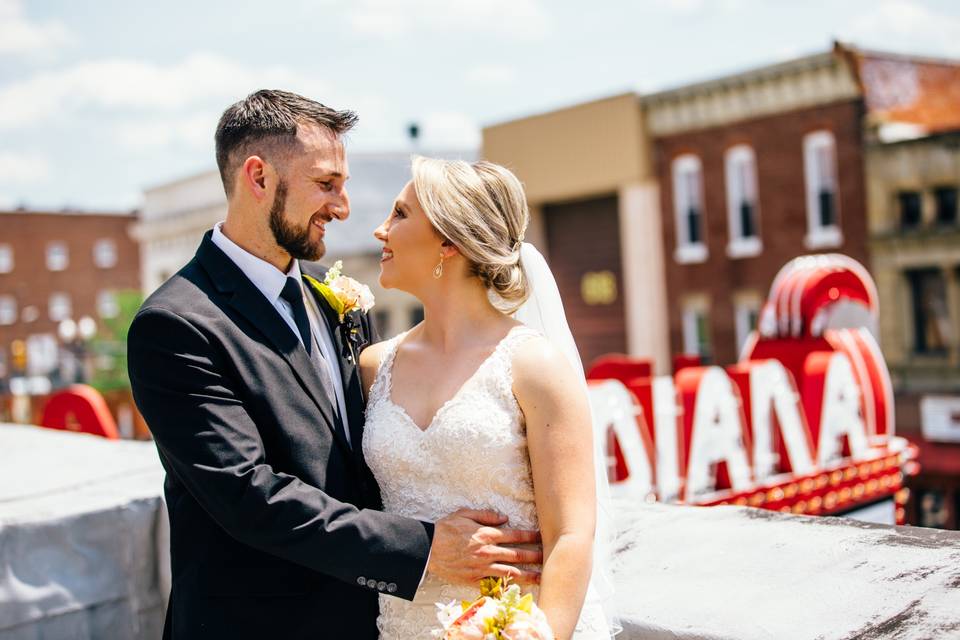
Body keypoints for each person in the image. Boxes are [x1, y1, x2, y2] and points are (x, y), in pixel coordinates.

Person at [127, 90, 541, 640]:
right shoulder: (176, 325)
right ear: (258, 178)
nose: (343, 208)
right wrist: (423, 548)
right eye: (327, 185)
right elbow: (249, 495)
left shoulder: (334, 302)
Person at [360, 156, 612, 639]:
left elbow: (572, 537)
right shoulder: (375, 368)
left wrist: (537, 635)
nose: (380, 230)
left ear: (449, 241)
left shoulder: (534, 367)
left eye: (400, 214)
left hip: (513, 624)